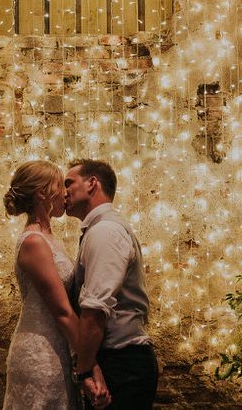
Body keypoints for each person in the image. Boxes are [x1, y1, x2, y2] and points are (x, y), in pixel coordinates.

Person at [2, 160, 110, 410]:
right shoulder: (34, 242)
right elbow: (62, 312)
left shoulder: (50, 238)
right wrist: (90, 364)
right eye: (60, 185)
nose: (65, 192)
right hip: (39, 353)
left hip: (58, 348)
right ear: (42, 193)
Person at [65, 159, 159, 410]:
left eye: (69, 182)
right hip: (118, 361)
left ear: (92, 183)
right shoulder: (100, 229)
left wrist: (84, 372)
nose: (64, 191)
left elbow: (95, 310)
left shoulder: (105, 231)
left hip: (122, 364)